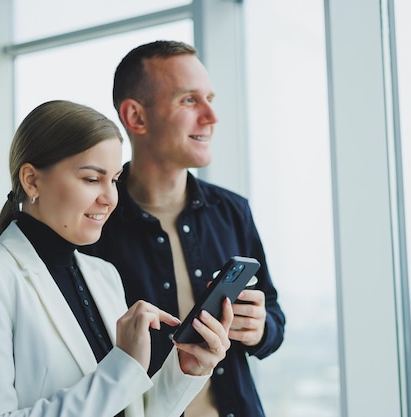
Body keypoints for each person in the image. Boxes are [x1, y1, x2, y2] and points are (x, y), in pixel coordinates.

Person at [0, 100, 233, 417]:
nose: (110, 198)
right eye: (92, 179)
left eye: (115, 179)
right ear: (32, 180)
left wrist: (185, 369)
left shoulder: (104, 274)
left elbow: (125, 409)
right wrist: (124, 366)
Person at [81, 40, 286, 417]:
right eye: (189, 100)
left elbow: (273, 315)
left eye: (209, 98)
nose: (211, 115)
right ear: (136, 117)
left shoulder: (232, 210)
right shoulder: (92, 222)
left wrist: (261, 327)